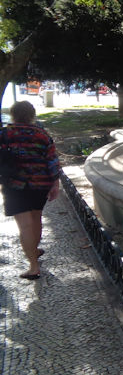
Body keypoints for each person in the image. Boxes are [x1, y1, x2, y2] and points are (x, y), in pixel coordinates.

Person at [1, 101, 61, 280]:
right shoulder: (42, 134)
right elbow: (52, 161)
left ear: (13, 114)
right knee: (36, 219)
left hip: (14, 184)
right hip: (40, 184)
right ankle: (34, 250)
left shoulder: (5, 134)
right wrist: (55, 183)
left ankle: (33, 266)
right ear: (32, 114)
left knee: (25, 225)